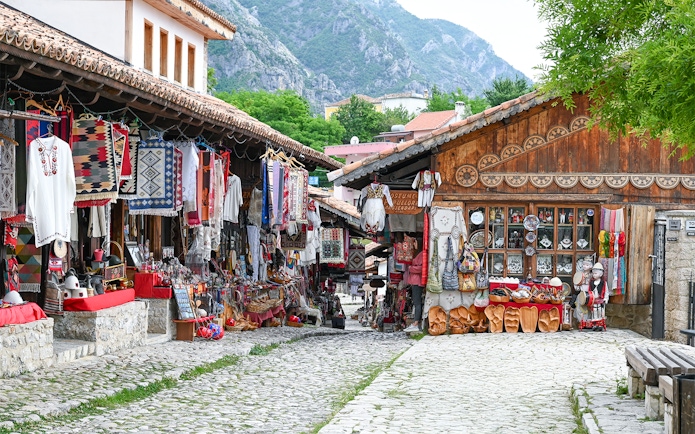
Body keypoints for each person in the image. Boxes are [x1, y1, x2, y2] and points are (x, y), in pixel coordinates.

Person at [404, 247, 424, 332]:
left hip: (417, 281)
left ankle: (415, 323)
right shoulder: (420, 254)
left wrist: (411, 268)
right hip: (416, 281)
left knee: (417, 302)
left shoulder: (422, 254)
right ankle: (416, 322)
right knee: (416, 302)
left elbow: (421, 268)